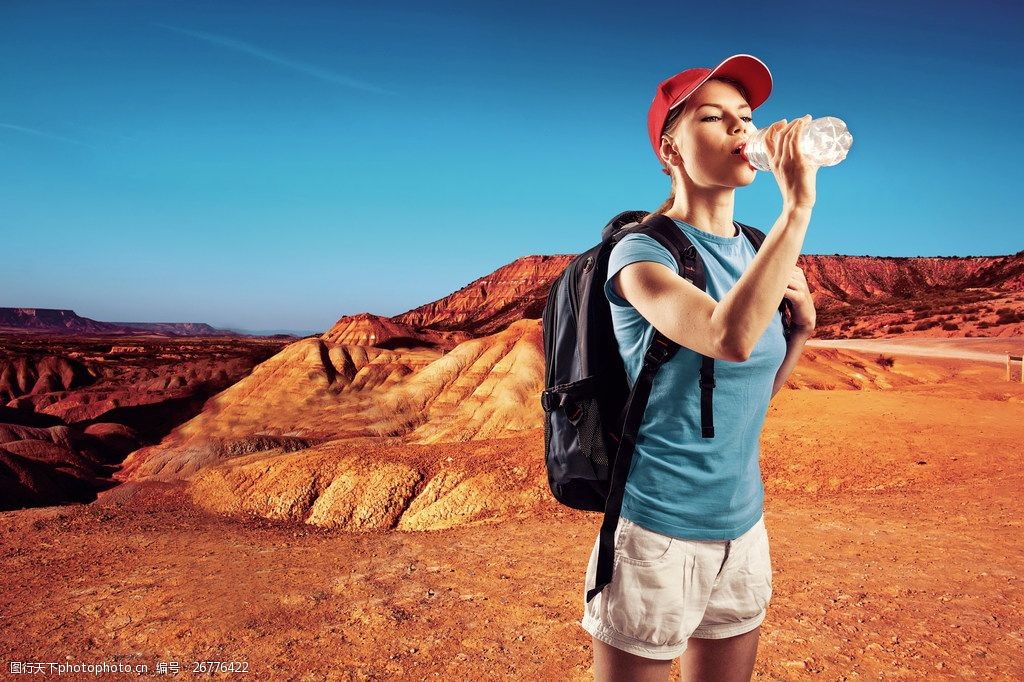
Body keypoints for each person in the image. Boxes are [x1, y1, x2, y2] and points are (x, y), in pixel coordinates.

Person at [579, 54, 819, 681]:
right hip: (657, 533)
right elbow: (727, 336)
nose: (743, 131)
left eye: (747, 118)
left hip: (743, 527)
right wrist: (796, 210)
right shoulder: (640, 256)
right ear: (671, 150)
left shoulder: (755, 250)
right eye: (715, 118)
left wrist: (800, 334)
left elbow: (747, 395)